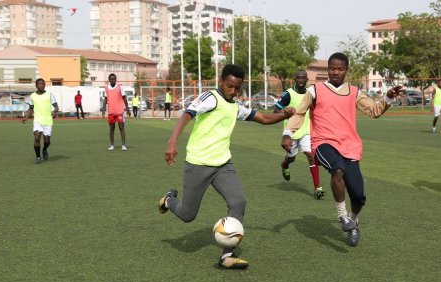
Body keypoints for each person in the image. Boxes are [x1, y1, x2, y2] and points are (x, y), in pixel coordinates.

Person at [158, 64, 295, 270]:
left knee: (238, 201)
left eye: (237, 87)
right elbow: (187, 114)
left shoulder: (236, 106)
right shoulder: (210, 98)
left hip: (223, 164)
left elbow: (264, 118)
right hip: (199, 163)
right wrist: (172, 142)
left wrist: (284, 115)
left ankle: (227, 255)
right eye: (229, 86)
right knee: (188, 215)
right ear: (221, 81)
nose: (232, 91)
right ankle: (169, 200)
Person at [282, 53, 403, 247]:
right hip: (323, 143)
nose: (335, 72)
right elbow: (300, 112)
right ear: (328, 69)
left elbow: (374, 111)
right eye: (332, 68)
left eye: (340, 69)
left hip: (349, 146)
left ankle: (353, 220)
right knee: (337, 169)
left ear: (346, 70)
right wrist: (288, 132)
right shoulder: (315, 90)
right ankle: (342, 216)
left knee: (359, 197)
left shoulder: (354, 92)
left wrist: (388, 97)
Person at [274, 70, 325, 199]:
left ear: (307, 80)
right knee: (291, 158)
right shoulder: (288, 94)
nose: (301, 80)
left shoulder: (310, 93)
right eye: (298, 78)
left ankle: (318, 188)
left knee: (311, 156)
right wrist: (285, 110)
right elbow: (275, 110)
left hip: (307, 130)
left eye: (303, 78)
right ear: (294, 79)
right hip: (291, 132)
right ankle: (285, 164)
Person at [21, 78, 59, 164]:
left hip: (48, 120)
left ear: (45, 85)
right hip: (37, 120)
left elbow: (56, 106)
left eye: (43, 84)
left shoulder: (49, 94)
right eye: (39, 84)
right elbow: (31, 108)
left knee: (47, 141)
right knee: (37, 137)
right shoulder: (32, 96)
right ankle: (38, 157)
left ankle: (44, 149)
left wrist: (54, 111)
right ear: (36, 85)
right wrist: (26, 117)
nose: (41, 85)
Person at [102, 73, 130, 151]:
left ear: (116, 79)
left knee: (121, 127)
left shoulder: (120, 87)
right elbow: (105, 99)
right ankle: (112, 145)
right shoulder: (106, 88)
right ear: (109, 80)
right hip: (111, 111)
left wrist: (127, 108)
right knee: (111, 128)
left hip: (120, 111)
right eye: (111, 79)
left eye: (114, 79)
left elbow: (124, 98)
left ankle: (123, 145)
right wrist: (103, 109)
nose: (113, 80)